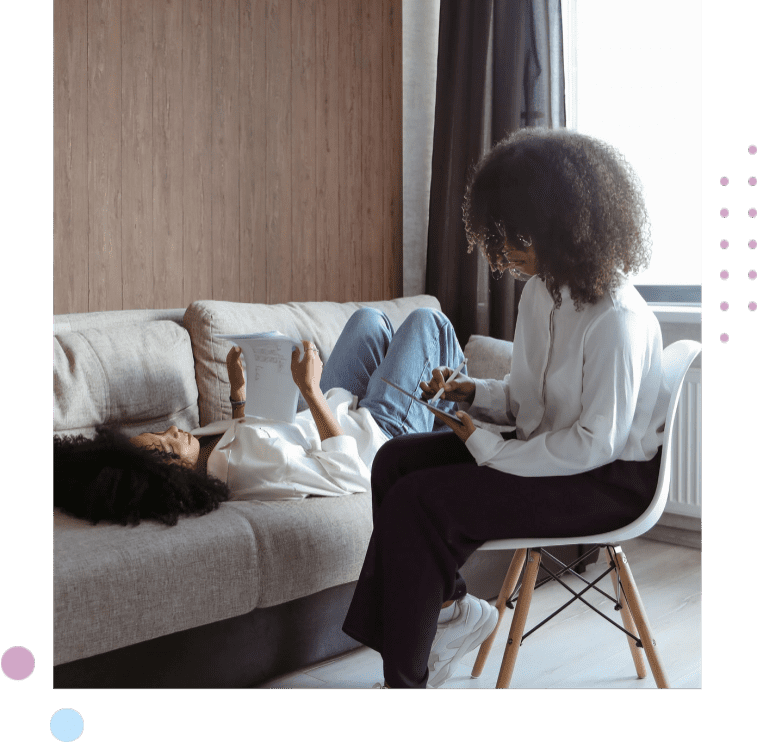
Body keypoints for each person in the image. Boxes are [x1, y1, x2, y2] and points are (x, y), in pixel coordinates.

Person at [342, 127, 667, 689]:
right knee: (393, 462)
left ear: (562, 226)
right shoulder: (542, 291)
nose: (507, 253)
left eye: (518, 237)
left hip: (605, 481)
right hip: (549, 453)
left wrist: (486, 446)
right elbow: (526, 400)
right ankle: (449, 614)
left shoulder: (617, 318)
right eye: (502, 236)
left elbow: (595, 443)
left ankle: (406, 678)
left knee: (423, 499)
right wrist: (472, 392)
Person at [54, 306, 469, 522]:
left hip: (327, 412)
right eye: (166, 445)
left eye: (158, 432)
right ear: (173, 476)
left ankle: (420, 396)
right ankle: (443, 439)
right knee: (427, 323)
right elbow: (348, 473)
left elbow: (254, 436)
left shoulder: (203, 451)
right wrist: (308, 389)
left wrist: (239, 396)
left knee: (369, 321)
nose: (174, 431)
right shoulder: (247, 474)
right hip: (376, 435)